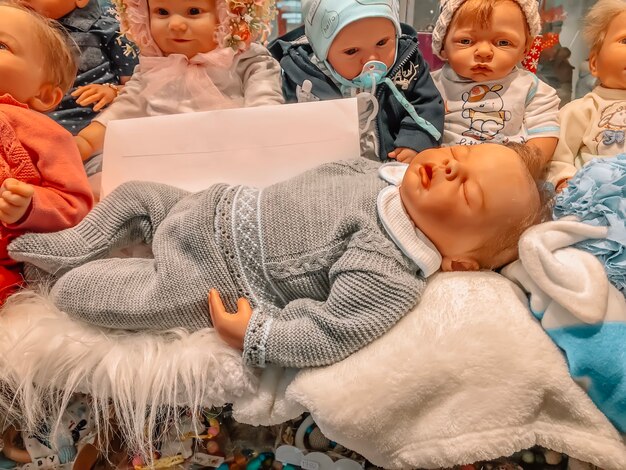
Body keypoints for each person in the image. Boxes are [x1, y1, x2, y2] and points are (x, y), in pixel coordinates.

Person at [10, 143, 545, 368]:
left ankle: (58, 280)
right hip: (208, 204)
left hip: (210, 276)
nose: (452, 166)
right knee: (134, 194)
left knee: (91, 296)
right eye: (462, 152)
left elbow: (333, 332)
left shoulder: (390, 266)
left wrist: (258, 334)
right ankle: (71, 245)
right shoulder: (379, 175)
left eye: (469, 192)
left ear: (459, 263)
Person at [73, 0, 284, 162]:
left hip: (230, 157)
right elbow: (126, 106)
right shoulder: (153, 66)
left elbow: (264, 106)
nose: (175, 24)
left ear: (229, 15)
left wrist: (261, 142)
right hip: (162, 161)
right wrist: (86, 141)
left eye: (193, 11)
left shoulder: (246, 60)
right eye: (162, 12)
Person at [268, 0, 444, 163]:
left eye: (382, 42)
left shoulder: (408, 64)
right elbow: (289, 127)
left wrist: (416, 140)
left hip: (390, 164)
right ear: (323, 54)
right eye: (352, 51)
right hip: (329, 168)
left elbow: (427, 103)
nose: (371, 58)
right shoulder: (303, 76)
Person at [0, 1, 94, 302]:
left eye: (1, 45)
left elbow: (75, 204)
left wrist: (29, 205)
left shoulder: (42, 131)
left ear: (44, 94)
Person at [430, 0, 560, 164]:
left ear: (525, 49)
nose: (484, 52)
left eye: (503, 43)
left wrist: (522, 167)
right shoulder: (430, 85)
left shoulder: (532, 89)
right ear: (442, 45)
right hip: (443, 169)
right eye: (466, 41)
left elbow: (544, 136)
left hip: (504, 171)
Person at [21, 0, 139, 138]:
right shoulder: (16, 29)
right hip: (28, 126)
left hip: (91, 128)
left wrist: (113, 91)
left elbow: (137, 85)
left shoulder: (108, 29)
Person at [548, 0, 626, 191]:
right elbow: (557, 158)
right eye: (625, 40)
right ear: (594, 64)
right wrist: (564, 180)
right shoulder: (582, 110)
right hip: (596, 199)